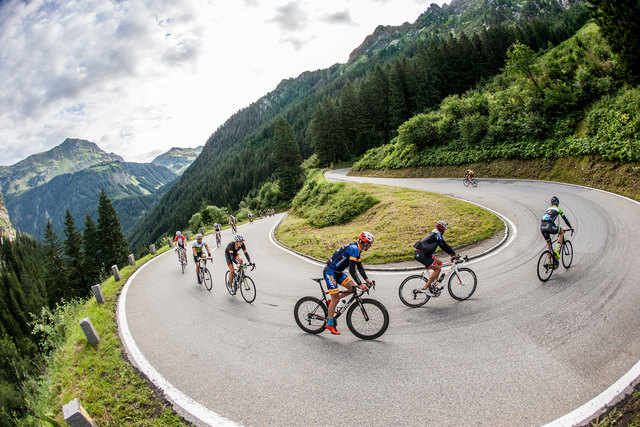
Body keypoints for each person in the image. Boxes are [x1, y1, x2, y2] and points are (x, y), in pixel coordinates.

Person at [323, 232, 375, 335]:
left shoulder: (357, 249)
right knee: (336, 299)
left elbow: (359, 267)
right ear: (364, 242)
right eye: (370, 243)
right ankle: (329, 323)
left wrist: (367, 279)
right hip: (330, 272)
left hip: (337, 273)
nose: (370, 246)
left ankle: (331, 302)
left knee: (353, 288)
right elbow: (352, 270)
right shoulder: (354, 249)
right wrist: (361, 284)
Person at [413, 221, 458, 296]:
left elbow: (443, 247)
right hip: (421, 254)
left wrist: (451, 254)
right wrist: (454, 254)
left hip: (424, 253)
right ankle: (425, 288)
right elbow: (445, 245)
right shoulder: (437, 235)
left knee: (439, 263)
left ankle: (435, 284)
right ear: (443, 229)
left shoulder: (435, 233)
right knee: (437, 269)